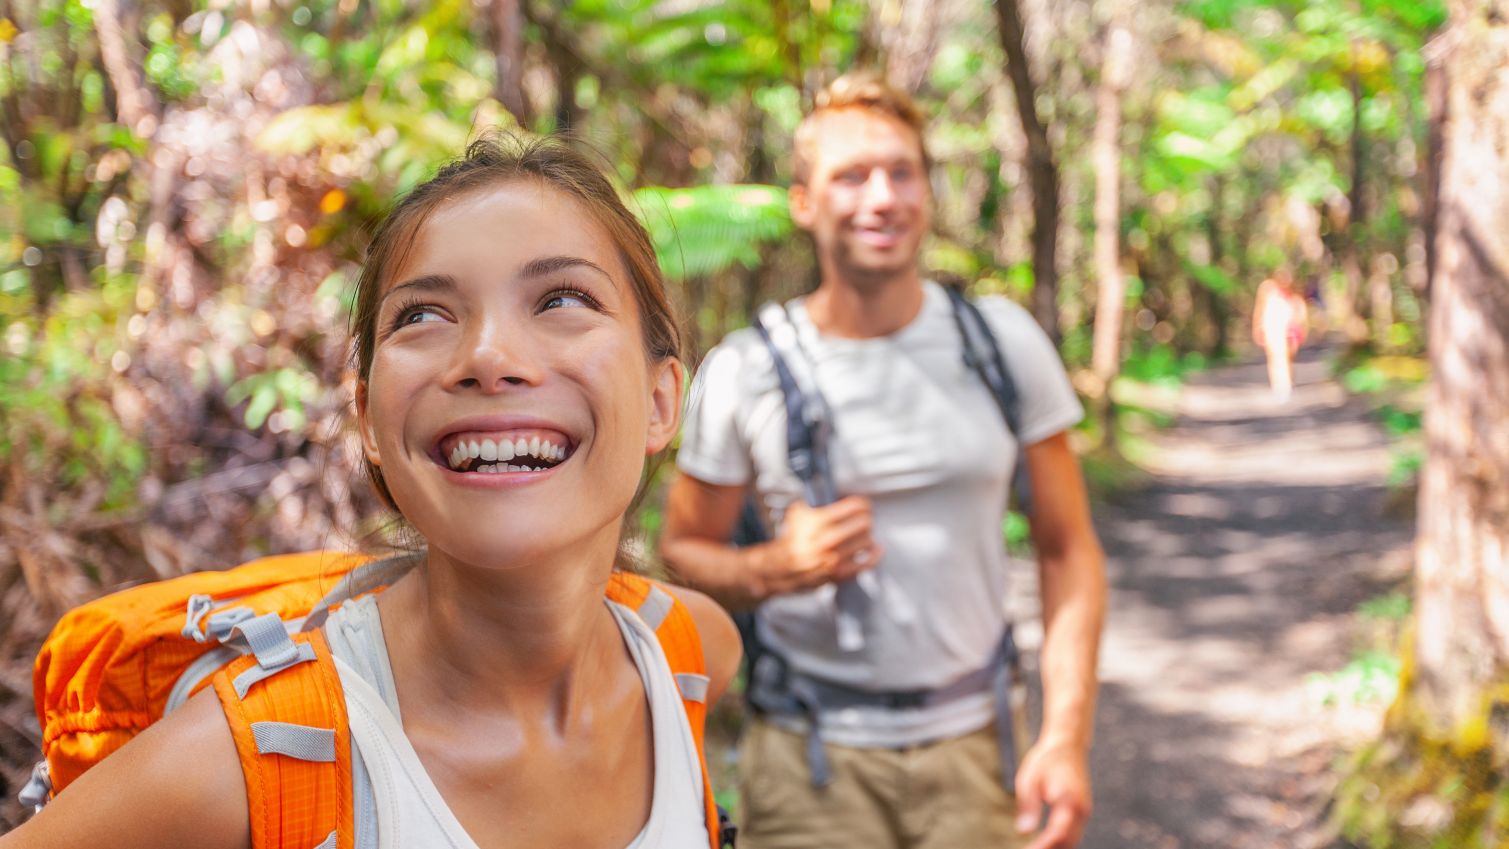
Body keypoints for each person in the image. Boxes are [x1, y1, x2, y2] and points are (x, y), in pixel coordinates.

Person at [2, 135, 741, 849]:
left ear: (658, 400)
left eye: (561, 299)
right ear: (370, 421)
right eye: (423, 314)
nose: (488, 356)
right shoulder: (246, 760)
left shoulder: (688, 650)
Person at [659, 73, 1106, 849]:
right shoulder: (743, 368)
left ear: (928, 191)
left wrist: (1064, 736)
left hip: (979, 746)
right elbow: (682, 552)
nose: (881, 197)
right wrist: (773, 568)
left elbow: (1067, 548)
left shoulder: (999, 342)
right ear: (803, 202)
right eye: (850, 176)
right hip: (806, 756)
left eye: (902, 172)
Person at [1252, 267, 1309, 400]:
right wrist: (1258, 328)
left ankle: (1286, 382)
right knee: (1275, 357)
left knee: (1286, 356)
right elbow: (1260, 311)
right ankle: (1278, 384)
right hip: (1272, 329)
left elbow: (1300, 311)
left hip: (1287, 329)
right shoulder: (1268, 291)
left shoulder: (1292, 295)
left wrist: (1301, 328)